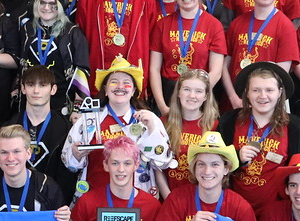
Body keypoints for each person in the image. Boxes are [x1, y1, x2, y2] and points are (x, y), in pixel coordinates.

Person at [63, 57, 169, 194]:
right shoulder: (88, 120)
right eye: (114, 82)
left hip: (136, 199)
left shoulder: (149, 120)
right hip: (95, 197)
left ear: (133, 91)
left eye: (126, 83)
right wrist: (76, 155)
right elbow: (69, 164)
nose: (120, 86)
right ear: (106, 90)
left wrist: (152, 130)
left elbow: (163, 162)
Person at [220, 62, 300, 208]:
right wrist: (236, 157)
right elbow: (214, 164)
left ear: (280, 92)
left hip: (276, 210)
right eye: (256, 90)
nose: (262, 96)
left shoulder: (294, 126)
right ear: (247, 93)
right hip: (232, 207)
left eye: (269, 90)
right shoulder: (228, 121)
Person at [150, 0, 227, 112]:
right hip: (168, 95)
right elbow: (154, 69)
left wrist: (196, 96)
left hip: (199, 98)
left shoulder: (213, 25)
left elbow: (216, 71)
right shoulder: (162, 24)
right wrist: (162, 106)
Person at [223, 0, 300, 106]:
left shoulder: (285, 26)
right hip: (236, 102)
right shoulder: (237, 23)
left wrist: (259, 101)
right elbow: (224, 66)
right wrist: (233, 98)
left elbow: (281, 73)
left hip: (265, 103)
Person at [0, 125, 70, 219]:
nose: (10, 158)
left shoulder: (46, 187)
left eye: (16, 151)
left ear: (28, 153)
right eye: (4, 152)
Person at [16, 0, 89, 106]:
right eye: (42, 3)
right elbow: (20, 63)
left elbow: (82, 70)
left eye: (52, 4)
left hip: (62, 100)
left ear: (60, 6)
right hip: (31, 97)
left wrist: (78, 105)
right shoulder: (27, 29)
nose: (46, 7)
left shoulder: (73, 33)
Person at [16, 65, 74, 198]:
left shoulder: (66, 128)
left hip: (53, 198)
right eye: (31, 85)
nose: (36, 91)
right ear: (23, 88)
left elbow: (67, 174)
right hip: (17, 197)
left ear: (53, 89)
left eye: (42, 85)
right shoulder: (10, 126)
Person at [158, 68, 217, 196]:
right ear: (178, 92)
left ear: (206, 96)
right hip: (169, 195)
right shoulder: (163, 123)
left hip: (201, 197)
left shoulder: (215, 126)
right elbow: (157, 167)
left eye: (198, 91)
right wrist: (168, 197)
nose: (192, 96)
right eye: (187, 89)